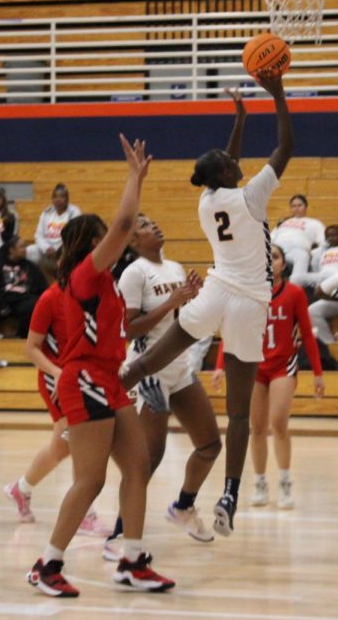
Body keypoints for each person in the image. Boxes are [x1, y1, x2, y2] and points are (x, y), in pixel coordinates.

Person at [120, 75, 293, 538]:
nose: (235, 162)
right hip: (249, 302)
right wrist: (277, 93)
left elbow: (225, 159)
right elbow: (286, 146)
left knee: (158, 354)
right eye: (230, 163)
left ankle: (108, 386)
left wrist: (239, 119)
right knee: (238, 414)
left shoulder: (207, 199)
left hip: (215, 290)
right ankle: (230, 495)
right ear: (228, 174)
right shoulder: (251, 195)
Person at [27, 134, 174, 598]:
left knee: (138, 464)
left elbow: (123, 334)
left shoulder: (107, 285)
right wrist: (134, 176)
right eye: (107, 238)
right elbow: (126, 220)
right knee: (90, 480)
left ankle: (132, 560)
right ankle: (46, 565)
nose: (122, 239)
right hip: (84, 379)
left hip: (108, 378)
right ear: (92, 244)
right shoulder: (87, 274)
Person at [115, 213, 218, 548]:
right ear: (132, 242)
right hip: (149, 372)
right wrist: (172, 302)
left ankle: (183, 508)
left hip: (179, 367)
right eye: (145, 225)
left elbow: (179, 317)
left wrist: (192, 297)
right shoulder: (133, 274)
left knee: (210, 445)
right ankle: (119, 533)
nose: (154, 225)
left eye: (153, 222)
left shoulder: (173, 267)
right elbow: (127, 329)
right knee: (147, 460)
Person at [212, 244, 323, 510]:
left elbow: (307, 333)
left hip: (283, 364)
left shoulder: (294, 293)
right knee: (257, 427)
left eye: (274, 257)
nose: (269, 261)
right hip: (253, 365)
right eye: (264, 256)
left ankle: (285, 482)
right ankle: (260, 482)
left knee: (278, 422)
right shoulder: (246, 292)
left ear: (283, 264)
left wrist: (318, 373)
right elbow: (230, 329)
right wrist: (219, 366)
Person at [3, 281, 109, 537]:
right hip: (57, 375)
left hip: (85, 373)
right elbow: (31, 347)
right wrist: (58, 373)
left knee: (61, 448)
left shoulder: (97, 291)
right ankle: (84, 513)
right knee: (79, 438)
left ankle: (22, 488)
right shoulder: (50, 297)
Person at [0, 236, 46, 338]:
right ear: (11, 250)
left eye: (25, 246)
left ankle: (23, 337)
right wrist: (1, 305)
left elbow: (43, 288)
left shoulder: (31, 267)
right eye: (21, 247)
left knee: (33, 306)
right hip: (1, 299)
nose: (25, 249)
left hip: (23, 300)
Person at [26, 183, 81, 277]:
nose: (58, 200)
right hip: (48, 251)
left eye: (62, 197)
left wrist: (61, 251)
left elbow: (74, 236)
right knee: (29, 251)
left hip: (66, 251)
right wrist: (47, 248)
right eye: (55, 197)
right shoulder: (46, 213)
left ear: (67, 199)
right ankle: (36, 281)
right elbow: (39, 235)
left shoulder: (74, 212)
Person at [271, 194, 325, 288]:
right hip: (277, 247)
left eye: (299, 205)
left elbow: (323, 243)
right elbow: (270, 238)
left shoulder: (315, 223)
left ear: (306, 207)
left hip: (297, 250)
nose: (296, 208)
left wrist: (312, 253)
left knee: (302, 257)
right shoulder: (284, 222)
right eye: (293, 206)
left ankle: (293, 289)